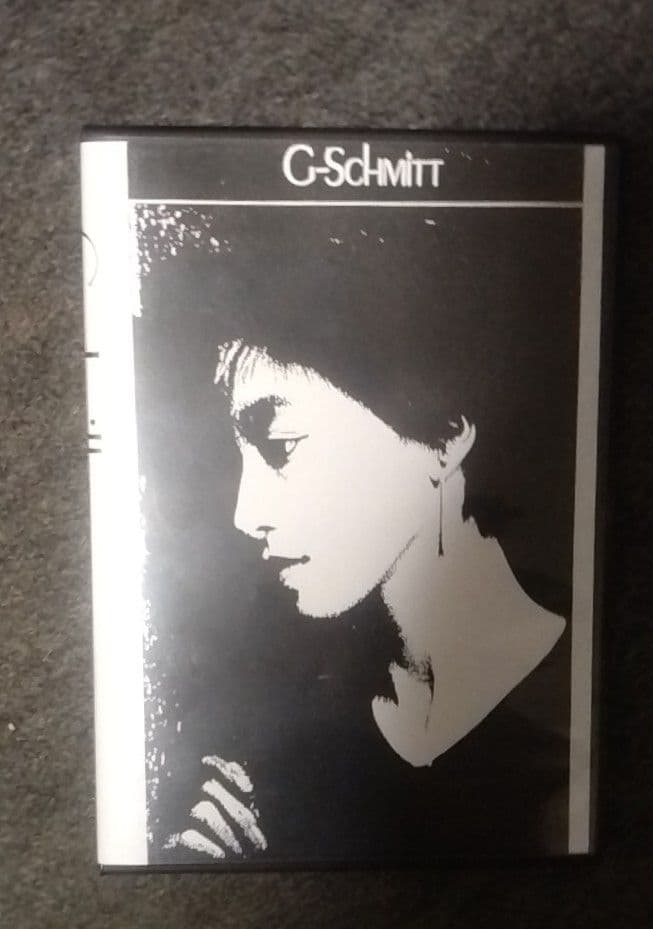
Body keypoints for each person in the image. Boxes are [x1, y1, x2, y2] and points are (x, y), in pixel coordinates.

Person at [152, 207, 576, 861]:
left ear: (445, 437)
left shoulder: (580, 711)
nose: (245, 512)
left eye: (282, 445)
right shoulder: (267, 740)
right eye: (232, 456)